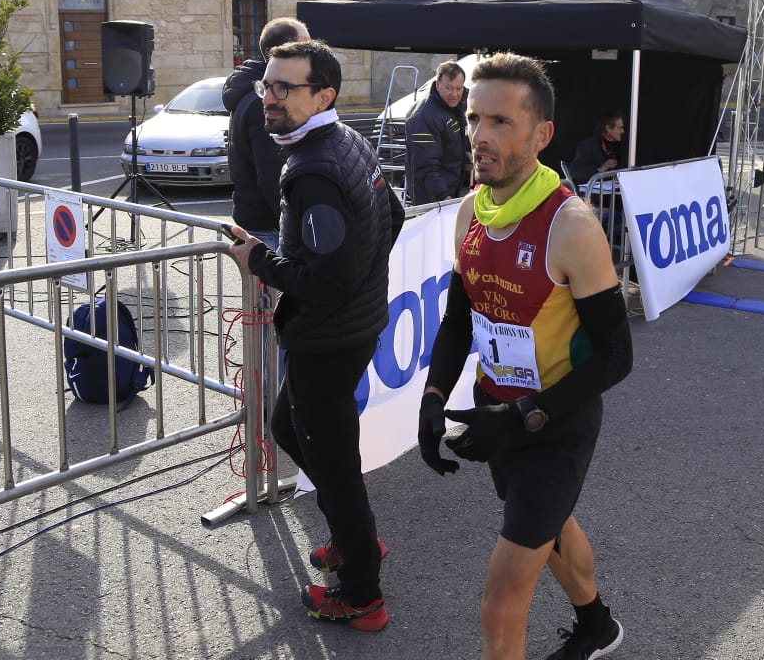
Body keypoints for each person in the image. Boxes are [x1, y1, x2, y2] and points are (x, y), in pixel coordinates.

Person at [417, 52, 633, 660]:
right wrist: (433, 401)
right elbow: (462, 320)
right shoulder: (471, 212)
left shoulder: (571, 225)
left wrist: (523, 417)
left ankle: (594, 626)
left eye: (501, 123)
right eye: (474, 119)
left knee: (502, 599)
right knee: (553, 529)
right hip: (497, 412)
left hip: (554, 422)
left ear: (542, 135)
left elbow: (615, 357)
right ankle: (597, 627)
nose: (480, 137)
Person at [227, 40, 405, 632]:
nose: (269, 99)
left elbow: (323, 282)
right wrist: (360, 278)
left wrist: (257, 260)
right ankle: (357, 543)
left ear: (323, 95)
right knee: (286, 429)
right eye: (266, 86)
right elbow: (394, 216)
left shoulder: (314, 169)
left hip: (328, 338)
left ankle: (362, 594)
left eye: (285, 89)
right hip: (345, 328)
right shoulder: (343, 138)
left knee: (337, 469)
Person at [222, 17, 310, 249]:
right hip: (270, 228)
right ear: (285, 52)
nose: (313, 53)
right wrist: (294, 226)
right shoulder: (265, 101)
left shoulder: (261, 91)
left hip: (263, 224)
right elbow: (273, 176)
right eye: (306, 46)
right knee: (271, 286)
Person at [405, 60, 469, 205]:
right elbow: (425, 165)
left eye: (459, 88)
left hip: (451, 190)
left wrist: (466, 156)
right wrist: (444, 197)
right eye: (448, 88)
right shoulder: (423, 116)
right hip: (432, 199)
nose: (454, 94)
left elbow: (450, 141)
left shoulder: (454, 105)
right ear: (437, 85)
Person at [567, 110, 626, 187]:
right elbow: (574, 172)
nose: (623, 131)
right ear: (608, 128)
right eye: (620, 128)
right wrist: (599, 169)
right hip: (595, 196)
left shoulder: (625, 143)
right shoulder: (590, 145)